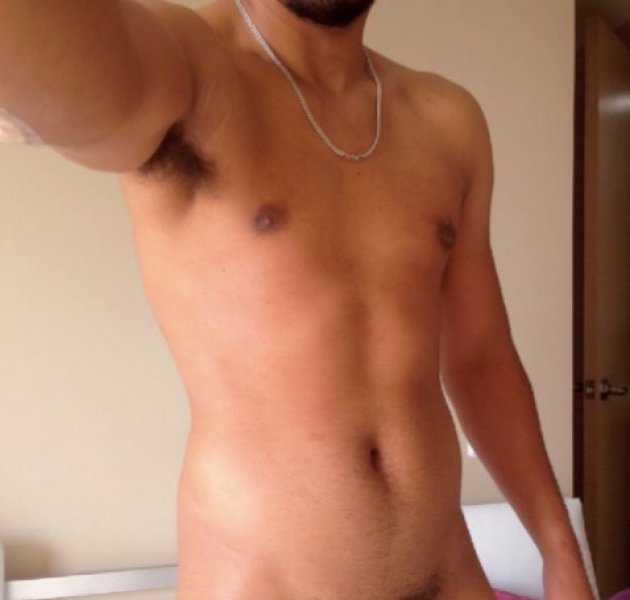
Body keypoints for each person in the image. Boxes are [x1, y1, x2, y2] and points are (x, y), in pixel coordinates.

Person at [0, 1, 596, 598]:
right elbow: (64, 65)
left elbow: (481, 357)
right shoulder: (187, 70)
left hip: (449, 576)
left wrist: (560, 551)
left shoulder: (446, 119)